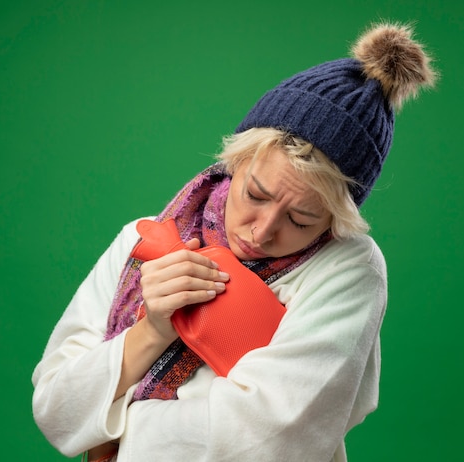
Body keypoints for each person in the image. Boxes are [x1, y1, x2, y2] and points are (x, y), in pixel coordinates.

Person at [32, 22, 436, 461]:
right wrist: (153, 329)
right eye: (255, 195)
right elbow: (56, 409)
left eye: (300, 220)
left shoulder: (348, 269)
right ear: (236, 162)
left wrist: (116, 424)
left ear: (335, 222)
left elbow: (272, 441)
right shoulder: (145, 240)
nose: (262, 231)